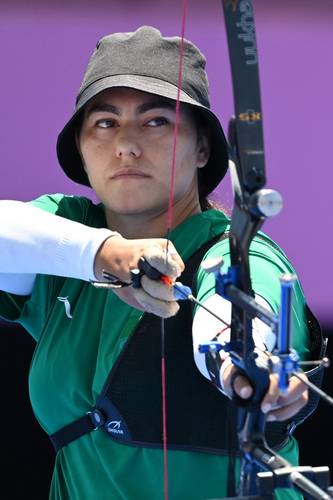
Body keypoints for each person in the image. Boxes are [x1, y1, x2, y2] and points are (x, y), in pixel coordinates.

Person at [0, 26, 315, 500]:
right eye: (105, 122)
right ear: (81, 152)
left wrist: (246, 367)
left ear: (203, 148)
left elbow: (239, 313)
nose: (126, 144)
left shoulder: (234, 251)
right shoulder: (64, 234)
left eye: (156, 121)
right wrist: (102, 253)